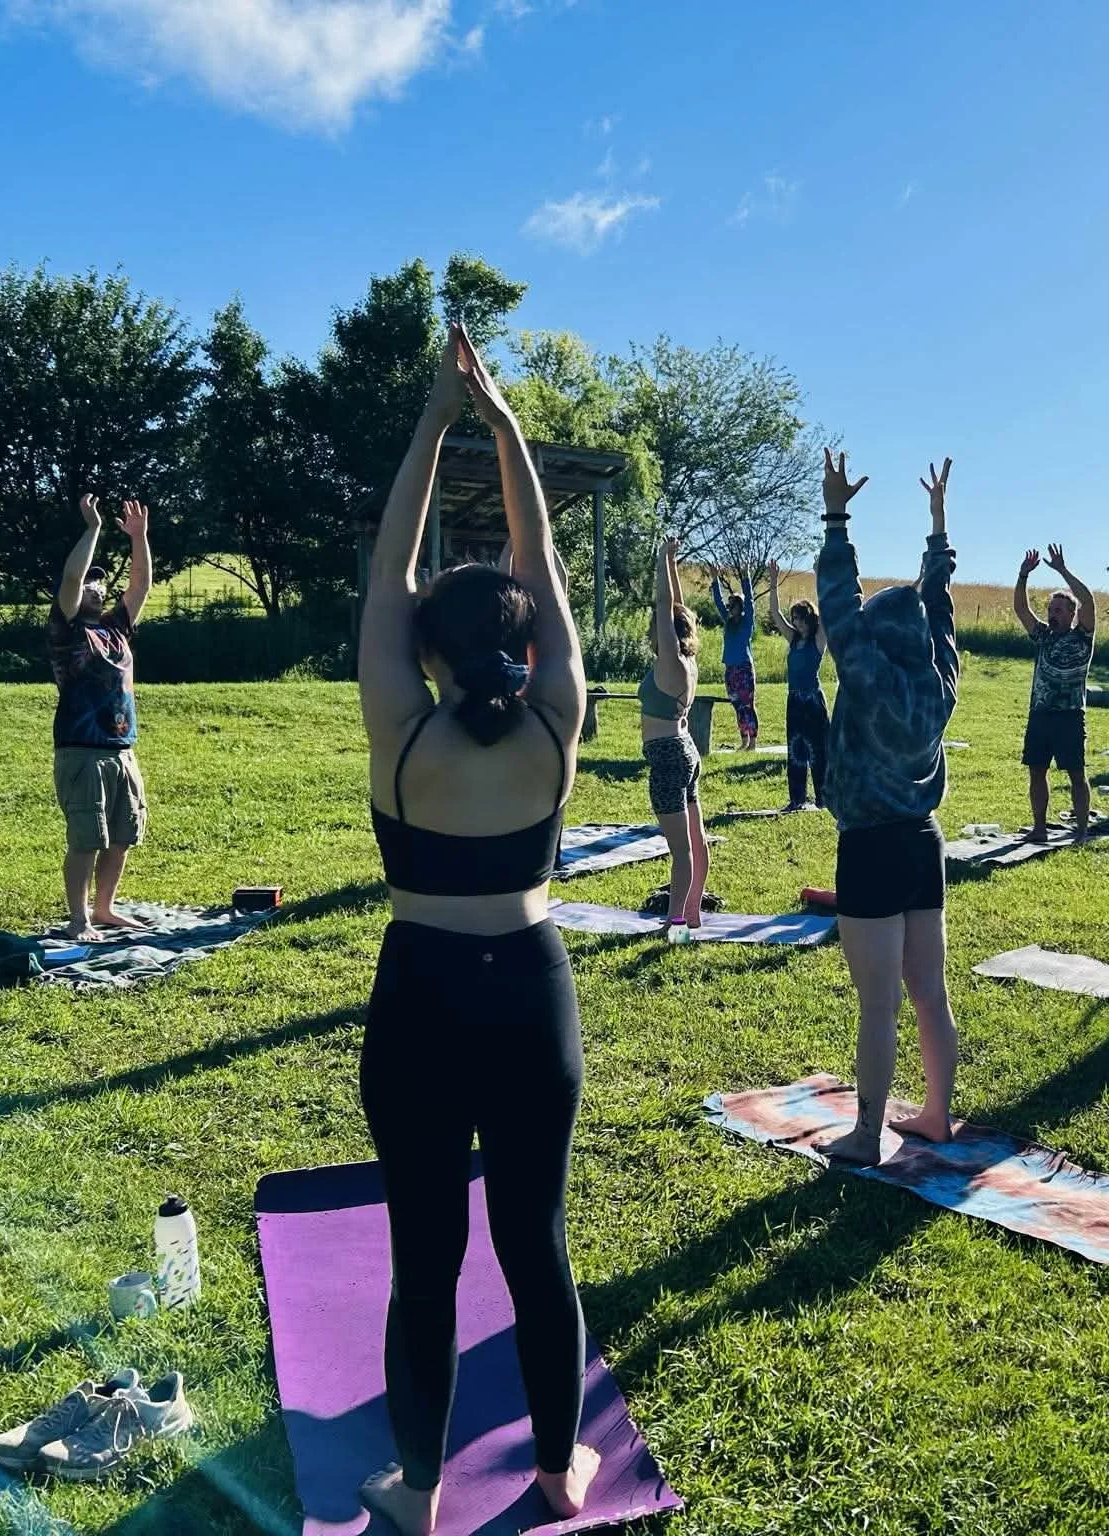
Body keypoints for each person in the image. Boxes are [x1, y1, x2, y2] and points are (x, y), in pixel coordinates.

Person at [354, 325, 599, 1531]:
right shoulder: (557, 720)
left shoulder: (401, 728)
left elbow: (389, 570)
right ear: (528, 646)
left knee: (425, 1258)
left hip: (421, 992)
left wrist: (431, 424)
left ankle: (417, 1490)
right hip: (530, 992)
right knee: (535, 1242)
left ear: (424, 651)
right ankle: (558, 1469)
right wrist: (501, 425)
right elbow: (538, 559)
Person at [815, 452, 962, 1166]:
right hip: (924, 843)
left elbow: (838, 605)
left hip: (871, 845)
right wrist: (937, 529)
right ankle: (935, 1115)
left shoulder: (866, 673)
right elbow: (941, 609)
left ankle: (867, 1134)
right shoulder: (941, 682)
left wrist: (836, 518)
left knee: (879, 1003)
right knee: (929, 994)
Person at [50, 494, 154, 939]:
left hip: (121, 749)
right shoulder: (67, 629)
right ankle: (80, 919)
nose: (95, 585)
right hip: (82, 752)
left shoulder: (115, 628)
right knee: (86, 838)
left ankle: (105, 908)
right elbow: (72, 577)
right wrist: (92, 528)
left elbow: (141, 585)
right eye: (90, 582)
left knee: (123, 835)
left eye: (100, 582)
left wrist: (139, 538)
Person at [1014, 543, 1097, 842]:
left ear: (1072, 614)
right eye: (1050, 610)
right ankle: (1040, 829)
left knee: (1076, 773)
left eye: (1058, 611)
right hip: (1040, 715)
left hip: (1070, 716)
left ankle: (1082, 830)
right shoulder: (1043, 636)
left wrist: (1062, 570)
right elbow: (1021, 610)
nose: (1052, 614)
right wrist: (1023, 575)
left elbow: (1088, 600)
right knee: (1037, 771)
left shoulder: (1083, 636)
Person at [645, 538, 707, 932]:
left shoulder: (671, 662)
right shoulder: (688, 662)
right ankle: (693, 915)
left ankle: (676, 925)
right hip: (685, 752)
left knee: (681, 851)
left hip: (669, 757)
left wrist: (659, 563)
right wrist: (671, 562)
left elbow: (667, 607)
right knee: (696, 842)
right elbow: (678, 609)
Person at [768, 559, 828, 810]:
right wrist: (773, 582)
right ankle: (797, 799)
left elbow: (826, 608)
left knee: (819, 750)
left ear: (810, 619)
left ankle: (825, 798)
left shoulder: (818, 639)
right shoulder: (793, 639)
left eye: (801, 618)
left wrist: (819, 575)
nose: (796, 622)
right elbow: (775, 613)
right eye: (794, 618)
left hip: (812, 700)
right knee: (795, 749)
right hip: (794, 699)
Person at [711, 565, 759, 750]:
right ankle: (744, 740)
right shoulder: (728, 622)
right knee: (737, 705)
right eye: (729, 606)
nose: (730, 608)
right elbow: (718, 602)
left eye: (733, 605)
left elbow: (751, 603)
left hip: (744, 668)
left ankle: (752, 741)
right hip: (730, 669)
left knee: (748, 705)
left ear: (740, 607)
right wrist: (715, 579)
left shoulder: (747, 622)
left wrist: (746, 578)